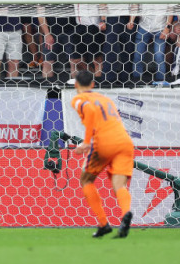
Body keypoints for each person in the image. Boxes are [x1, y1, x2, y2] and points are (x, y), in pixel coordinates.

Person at [70, 70, 134, 239]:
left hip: (104, 142)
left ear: (76, 84)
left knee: (86, 180)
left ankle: (103, 223)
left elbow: (90, 111)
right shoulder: (106, 99)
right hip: (125, 141)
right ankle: (126, 213)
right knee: (119, 185)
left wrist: (86, 141)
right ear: (93, 84)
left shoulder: (78, 99)